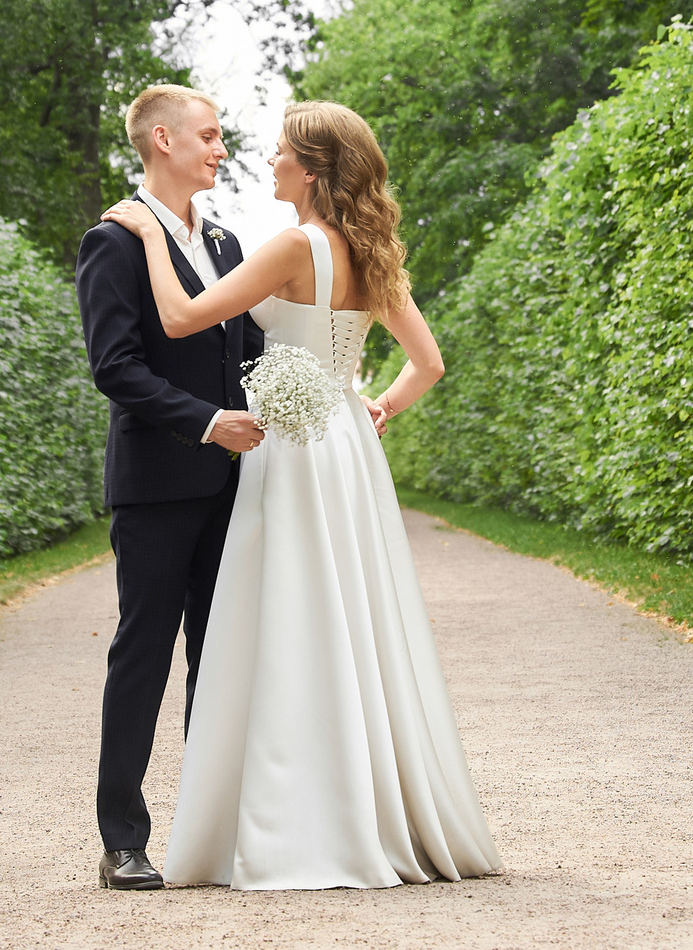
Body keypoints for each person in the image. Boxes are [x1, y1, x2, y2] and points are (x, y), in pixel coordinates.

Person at [99, 99, 503, 891]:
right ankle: (365, 806)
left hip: (288, 452)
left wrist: (148, 231)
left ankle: (276, 814)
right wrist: (374, 405)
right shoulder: (372, 252)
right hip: (345, 447)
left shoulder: (287, 245)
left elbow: (183, 318)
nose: (267, 160)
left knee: (283, 620)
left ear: (312, 171)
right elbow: (428, 365)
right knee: (349, 618)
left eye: (282, 152)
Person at [75, 85, 268, 892]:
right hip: (157, 484)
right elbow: (114, 369)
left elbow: (252, 350)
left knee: (219, 657)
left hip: (232, 486)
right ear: (163, 139)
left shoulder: (224, 241)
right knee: (144, 653)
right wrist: (206, 421)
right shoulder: (114, 239)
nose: (221, 149)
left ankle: (205, 829)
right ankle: (122, 836)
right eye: (211, 135)